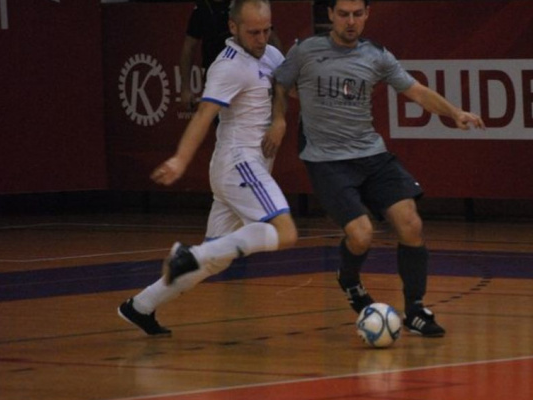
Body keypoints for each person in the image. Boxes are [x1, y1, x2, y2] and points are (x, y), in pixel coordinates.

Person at [268, 0, 484, 337]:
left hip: (370, 154)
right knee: (361, 234)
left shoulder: (377, 55)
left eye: (357, 14)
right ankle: (349, 279)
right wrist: (279, 118)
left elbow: (416, 91)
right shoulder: (306, 50)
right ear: (331, 15)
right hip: (326, 160)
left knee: (411, 222)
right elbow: (280, 84)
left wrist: (454, 113)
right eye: (343, 14)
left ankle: (415, 310)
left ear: (367, 14)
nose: (350, 21)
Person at [119, 0, 297, 336]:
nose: (262, 39)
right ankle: (188, 254)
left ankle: (140, 305)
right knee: (285, 232)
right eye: (254, 32)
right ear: (233, 27)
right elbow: (203, 115)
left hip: (244, 169)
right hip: (240, 164)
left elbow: (284, 88)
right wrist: (180, 160)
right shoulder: (228, 65)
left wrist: (279, 118)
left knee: (215, 259)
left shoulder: (271, 54)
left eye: (266, 30)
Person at [179, 0, 232, 111]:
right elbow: (189, 48)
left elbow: (267, 38)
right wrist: (185, 88)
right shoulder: (202, 8)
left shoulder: (243, 5)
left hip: (244, 76)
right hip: (215, 79)